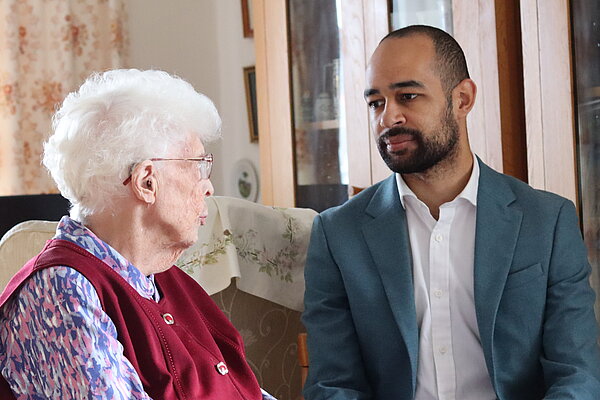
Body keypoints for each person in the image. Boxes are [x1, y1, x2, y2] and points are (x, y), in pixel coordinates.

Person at [302, 25, 600, 400]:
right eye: (376, 102)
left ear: (462, 99)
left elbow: (577, 375)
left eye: (408, 96)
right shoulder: (337, 234)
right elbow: (333, 385)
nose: (387, 118)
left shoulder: (547, 221)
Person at [0, 69, 276, 400]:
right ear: (147, 181)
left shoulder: (160, 275)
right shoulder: (62, 291)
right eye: (198, 165)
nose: (208, 186)